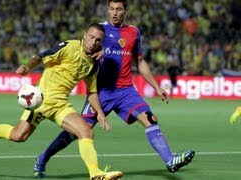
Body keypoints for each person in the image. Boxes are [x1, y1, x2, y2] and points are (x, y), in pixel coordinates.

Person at [33, 0, 195, 178]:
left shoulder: (133, 32)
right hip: (101, 92)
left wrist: (156, 86)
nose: (114, 13)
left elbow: (140, 62)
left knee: (150, 118)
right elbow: (83, 51)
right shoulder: (99, 32)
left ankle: (170, 160)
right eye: (111, 9)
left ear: (126, 10)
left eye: (118, 9)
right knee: (77, 131)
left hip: (126, 91)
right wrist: (99, 53)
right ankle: (43, 158)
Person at [0, 23, 123, 180]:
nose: (93, 42)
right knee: (18, 136)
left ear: (101, 42)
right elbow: (41, 56)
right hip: (40, 101)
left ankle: (95, 173)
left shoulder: (93, 65)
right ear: (85, 35)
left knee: (86, 131)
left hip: (60, 106)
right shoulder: (70, 47)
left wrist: (100, 113)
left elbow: (92, 91)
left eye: (98, 40)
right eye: (91, 37)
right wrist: (27, 67)